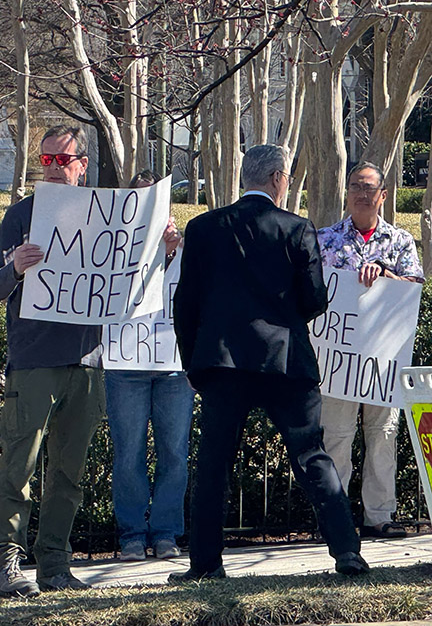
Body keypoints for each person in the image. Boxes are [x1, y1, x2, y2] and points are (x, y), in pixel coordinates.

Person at [171, 144, 368, 582]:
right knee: (312, 457)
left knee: (214, 465)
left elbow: (185, 304)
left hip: (223, 364)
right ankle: (347, 554)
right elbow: (315, 300)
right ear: (279, 179)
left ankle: (205, 564)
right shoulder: (297, 229)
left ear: (245, 176)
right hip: (285, 361)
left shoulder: (203, 228)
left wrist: (193, 363)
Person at [0, 124, 106, 598]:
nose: (53, 168)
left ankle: (54, 563)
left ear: (82, 165)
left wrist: (166, 248)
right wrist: (14, 268)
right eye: (46, 159)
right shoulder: (21, 215)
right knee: (20, 466)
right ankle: (6, 567)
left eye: (63, 159)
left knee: (68, 474)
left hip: (89, 361)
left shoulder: (106, 216)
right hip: (34, 360)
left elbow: (135, 281)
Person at [317, 162, 425, 538]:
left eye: (368, 188)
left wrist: (386, 276)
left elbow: (414, 288)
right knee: (336, 437)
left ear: (382, 195)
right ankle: (334, 518)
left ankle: (380, 515)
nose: (361, 194)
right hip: (339, 363)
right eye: (355, 187)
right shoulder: (324, 240)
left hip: (382, 363)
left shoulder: (400, 242)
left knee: (383, 435)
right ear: (347, 193)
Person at [104, 170, 193, 563]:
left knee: (174, 452)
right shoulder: (109, 246)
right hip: (125, 365)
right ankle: (132, 535)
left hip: (174, 365)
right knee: (128, 453)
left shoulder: (184, 245)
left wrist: (173, 252)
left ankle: (166, 533)